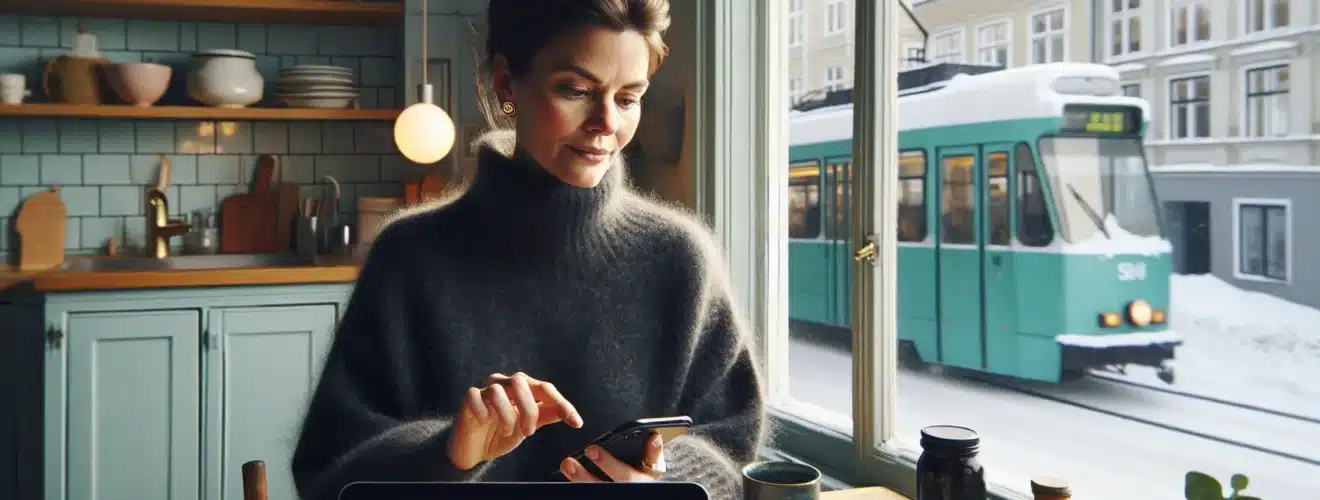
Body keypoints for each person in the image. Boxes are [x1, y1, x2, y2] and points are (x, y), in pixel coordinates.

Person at [288, 1, 769, 499]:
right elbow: (328, 475)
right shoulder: (407, 259)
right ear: (505, 83)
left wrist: (665, 479)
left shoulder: (682, 259)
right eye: (575, 90)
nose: (606, 122)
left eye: (628, 98)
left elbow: (734, 451)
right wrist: (448, 453)